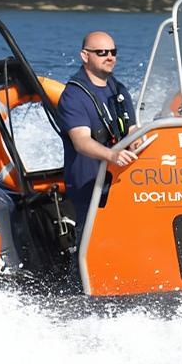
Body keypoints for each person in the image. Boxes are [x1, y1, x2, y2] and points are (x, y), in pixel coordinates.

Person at [57, 30, 137, 236]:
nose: (109, 57)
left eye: (113, 52)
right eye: (101, 52)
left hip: (120, 184)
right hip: (89, 188)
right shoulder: (73, 96)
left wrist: (140, 141)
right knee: (91, 242)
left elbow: (132, 129)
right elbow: (81, 141)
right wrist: (112, 155)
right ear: (85, 56)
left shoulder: (119, 90)